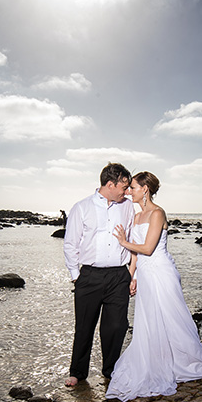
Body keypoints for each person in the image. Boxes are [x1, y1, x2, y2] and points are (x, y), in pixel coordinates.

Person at [106, 171, 202, 402]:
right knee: (150, 321)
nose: (129, 192)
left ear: (145, 189)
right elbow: (135, 255)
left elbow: (148, 248)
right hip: (145, 275)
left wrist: (123, 241)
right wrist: (130, 278)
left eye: (132, 187)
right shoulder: (136, 217)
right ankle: (157, 360)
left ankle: (183, 362)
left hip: (161, 273)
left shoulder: (157, 213)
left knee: (171, 319)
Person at [63, 162, 136, 388]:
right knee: (84, 327)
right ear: (110, 184)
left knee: (116, 326)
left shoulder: (127, 208)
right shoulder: (81, 207)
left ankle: (111, 370)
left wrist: (132, 275)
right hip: (89, 277)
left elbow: (132, 242)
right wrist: (77, 276)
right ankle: (77, 372)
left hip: (118, 276)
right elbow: (70, 244)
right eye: (123, 187)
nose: (126, 192)